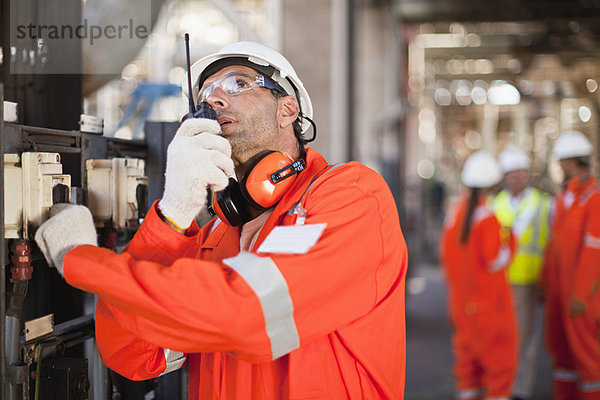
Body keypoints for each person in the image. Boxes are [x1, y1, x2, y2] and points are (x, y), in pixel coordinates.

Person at [33, 42, 408, 399]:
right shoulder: (215, 230)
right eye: (206, 93)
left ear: (288, 109)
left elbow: (248, 315)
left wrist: (80, 259)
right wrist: (174, 215)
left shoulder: (351, 195)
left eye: (238, 83)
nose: (213, 98)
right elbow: (134, 354)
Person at [440, 150, 518, 400]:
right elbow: (495, 259)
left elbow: (447, 260)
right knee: (499, 369)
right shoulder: (487, 218)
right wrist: (511, 239)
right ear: (492, 183)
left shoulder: (454, 217)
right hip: (489, 307)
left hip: (461, 306)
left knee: (468, 370)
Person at [541, 130, 600, 400]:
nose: (560, 167)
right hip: (559, 294)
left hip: (580, 297)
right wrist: (547, 286)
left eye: (562, 161)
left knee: (587, 359)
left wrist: (579, 294)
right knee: (562, 357)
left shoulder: (592, 198)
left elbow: (593, 251)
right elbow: (554, 247)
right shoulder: (566, 197)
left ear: (571, 162)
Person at [491, 146, 551, 400]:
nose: (518, 177)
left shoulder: (542, 203)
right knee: (502, 336)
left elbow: (552, 243)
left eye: (522, 172)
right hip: (500, 281)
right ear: (505, 176)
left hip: (529, 280)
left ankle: (521, 389)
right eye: (513, 173)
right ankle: (504, 383)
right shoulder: (496, 204)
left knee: (525, 337)